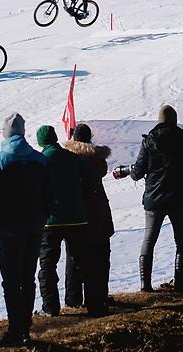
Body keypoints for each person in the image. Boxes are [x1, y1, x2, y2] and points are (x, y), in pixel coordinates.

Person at [0, 113, 51, 348]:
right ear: (23, 133)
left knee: (11, 280)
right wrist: (42, 217)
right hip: (34, 226)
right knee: (28, 276)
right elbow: (49, 193)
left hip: (10, 228)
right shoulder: (39, 160)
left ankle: (15, 329)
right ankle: (25, 328)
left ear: (6, 134)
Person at [128, 105, 183, 291]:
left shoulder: (149, 141)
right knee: (181, 241)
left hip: (154, 199)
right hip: (178, 198)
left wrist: (132, 173)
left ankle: (145, 285)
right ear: (175, 120)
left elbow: (138, 171)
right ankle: (179, 283)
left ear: (159, 121)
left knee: (149, 240)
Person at [35, 126, 103, 316]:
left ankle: (50, 308)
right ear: (56, 139)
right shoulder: (73, 158)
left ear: (41, 142)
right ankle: (95, 305)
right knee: (85, 263)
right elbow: (93, 182)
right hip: (77, 219)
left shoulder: (40, 161)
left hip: (50, 222)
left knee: (48, 265)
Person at [62, 123, 114, 311]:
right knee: (100, 257)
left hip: (77, 213)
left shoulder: (69, 159)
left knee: (74, 258)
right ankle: (99, 296)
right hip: (99, 212)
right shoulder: (98, 160)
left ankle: (73, 299)